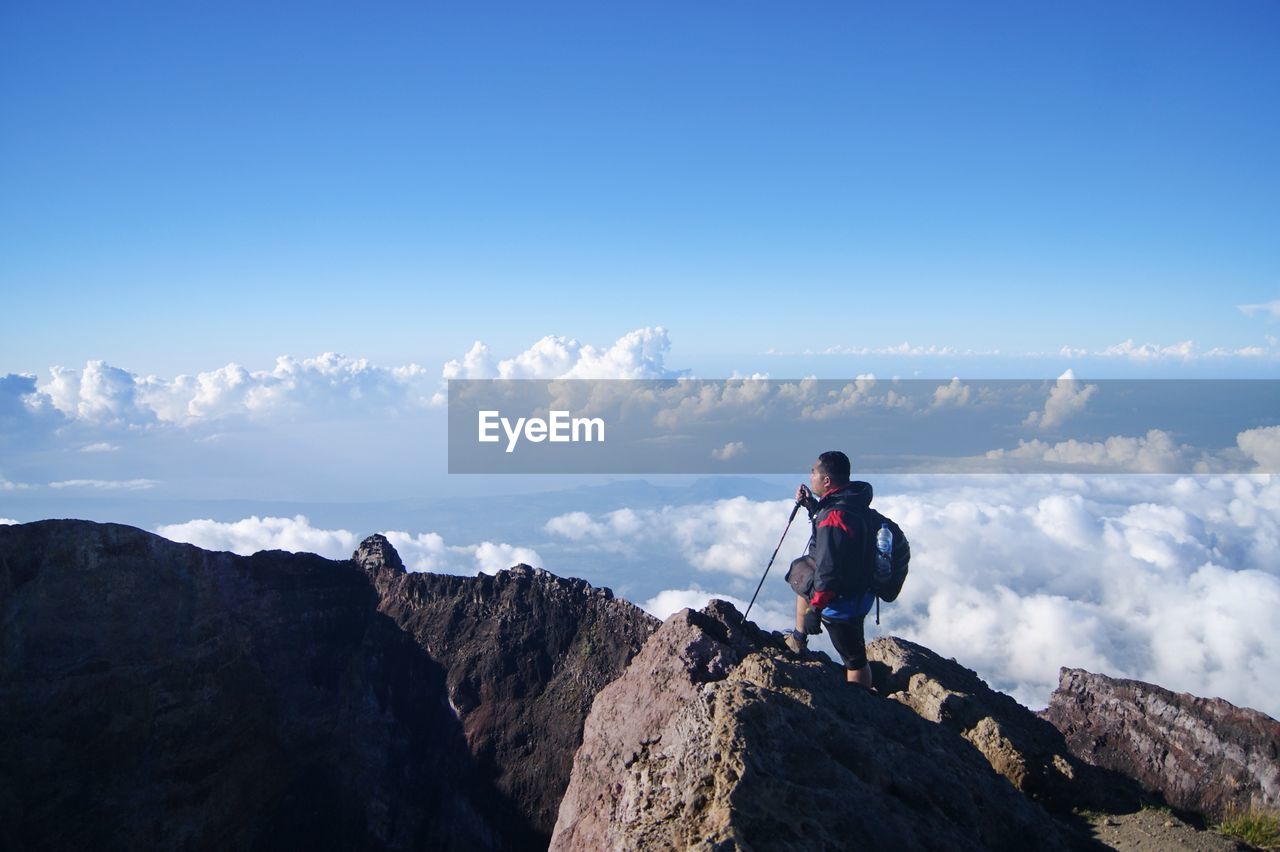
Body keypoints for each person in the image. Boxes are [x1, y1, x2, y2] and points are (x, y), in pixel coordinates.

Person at [785, 450, 878, 689]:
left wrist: (816, 608)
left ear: (826, 480)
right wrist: (811, 506)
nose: (810, 475)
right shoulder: (848, 499)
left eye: (814, 472)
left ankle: (862, 704)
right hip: (857, 586)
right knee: (803, 573)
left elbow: (829, 571)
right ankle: (798, 639)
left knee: (854, 660)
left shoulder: (834, 516)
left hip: (846, 600)